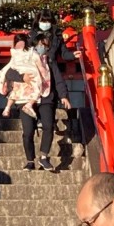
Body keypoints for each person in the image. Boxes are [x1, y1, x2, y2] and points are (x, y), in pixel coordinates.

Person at [26, 32, 73, 172]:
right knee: (28, 132)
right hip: (28, 97)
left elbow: (58, 79)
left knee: (48, 126)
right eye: (40, 45)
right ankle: (29, 160)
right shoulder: (26, 60)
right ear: (34, 45)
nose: (42, 47)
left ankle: (44, 157)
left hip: (47, 97)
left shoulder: (49, 61)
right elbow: (12, 73)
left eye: (45, 46)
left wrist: (63, 96)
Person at [0, 34, 49, 120]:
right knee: (37, 89)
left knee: (14, 92)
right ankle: (29, 105)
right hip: (31, 75)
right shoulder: (32, 53)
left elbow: (11, 66)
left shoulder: (14, 53)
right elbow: (39, 65)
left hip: (19, 76)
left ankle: (7, 107)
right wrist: (44, 73)